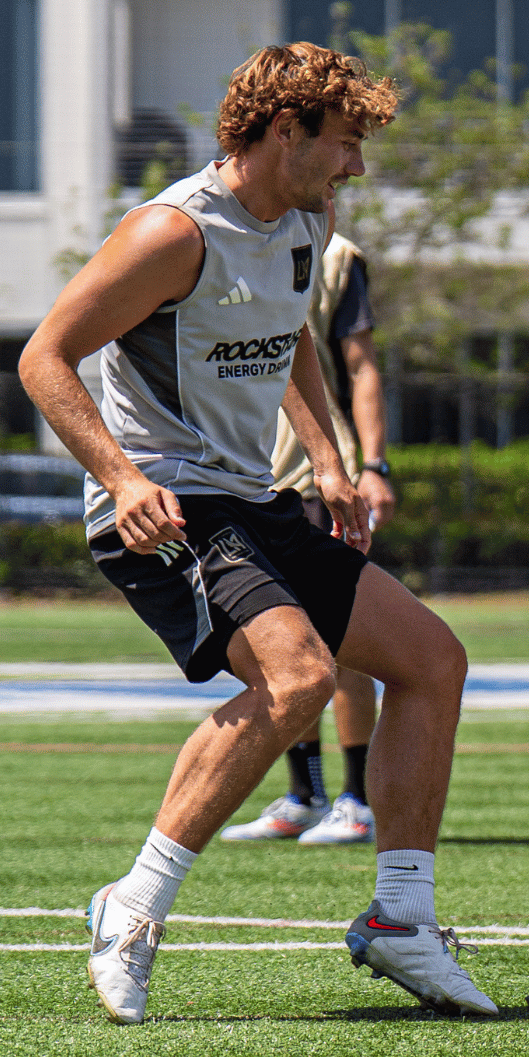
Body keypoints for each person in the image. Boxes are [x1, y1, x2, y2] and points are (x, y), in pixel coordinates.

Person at [20, 42, 497, 1025]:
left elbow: (289, 340)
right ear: (288, 131)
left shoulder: (306, 219)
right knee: (297, 681)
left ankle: (403, 922)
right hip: (168, 507)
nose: (356, 166)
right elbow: (45, 358)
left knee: (432, 661)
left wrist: (326, 453)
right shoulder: (172, 232)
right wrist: (119, 474)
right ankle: (132, 906)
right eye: (348, 142)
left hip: (258, 503)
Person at [220, 232, 397, 845]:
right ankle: (305, 793)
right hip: (243, 474)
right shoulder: (210, 240)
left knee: (344, 639)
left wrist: (372, 465)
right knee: (277, 641)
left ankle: (357, 798)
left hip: (320, 478)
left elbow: (360, 363)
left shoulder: (337, 256)